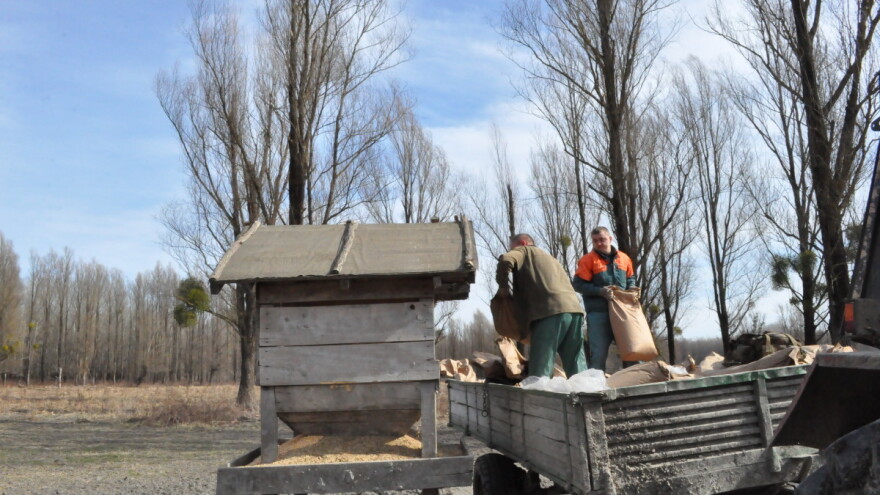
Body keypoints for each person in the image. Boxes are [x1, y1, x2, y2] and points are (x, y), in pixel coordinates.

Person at [496, 233, 586, 377]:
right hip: (574, 311)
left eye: (512, 247)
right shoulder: (550, 258)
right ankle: (586, 395)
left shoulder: (523, 251)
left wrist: (503, 287)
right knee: (576, 362)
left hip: (550, 313)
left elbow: (506, 260)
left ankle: (538, 397)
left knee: (541, 364)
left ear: (524, 243)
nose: (511, 251)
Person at [572, 227, 636, 371]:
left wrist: (632, 289)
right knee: (598, 356)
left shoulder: (624, 258)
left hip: (623, 313)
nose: (599, 243)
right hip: (599, 314)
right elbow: (578, 284)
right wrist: (600, 291)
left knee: (633, 351)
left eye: (602, 239)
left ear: (610, 239)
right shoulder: (588, 260)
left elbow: (630, 277)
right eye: (595, 241)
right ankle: (597, 387)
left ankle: (637, 383)